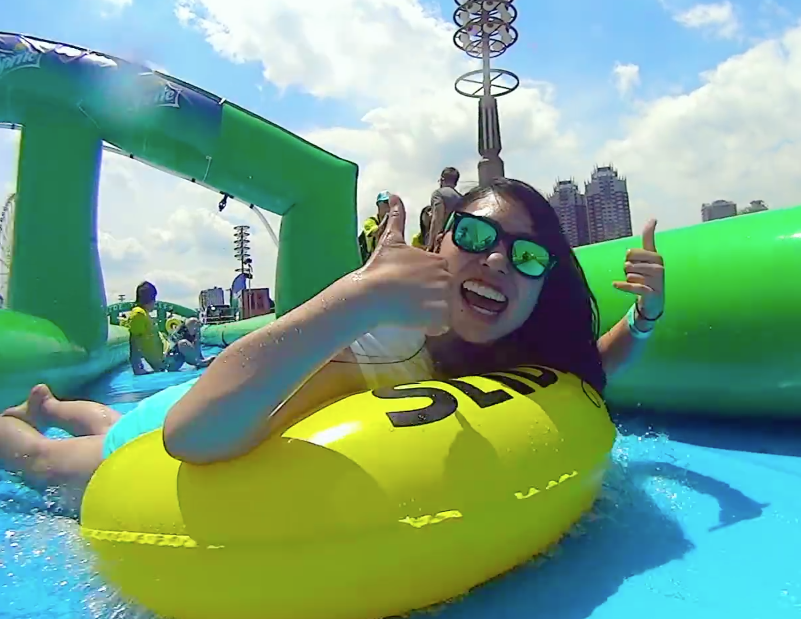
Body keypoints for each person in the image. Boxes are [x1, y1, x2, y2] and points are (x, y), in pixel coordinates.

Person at [0, 178, 666, 510]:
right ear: (439, 244)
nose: (495, 261)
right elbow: (190, 432)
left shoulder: (509, 348)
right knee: (46, 462)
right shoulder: (392, 340)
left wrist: (644, 317)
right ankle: (30, 423)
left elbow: (586, 368)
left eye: (526, 256)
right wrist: (360, 295)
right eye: (474, 236)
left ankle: (55, 404)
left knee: (101, 415)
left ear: (541, 284)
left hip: (229, 387)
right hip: (192, 416)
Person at [127, 281, 165, 375]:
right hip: (164, 361)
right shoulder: (138, 314)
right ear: (150, 299)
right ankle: (199, 361)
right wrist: (138, 367)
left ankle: (199, 359)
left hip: (164, 359)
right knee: (184, 340)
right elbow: (134, 341)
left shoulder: (144, 314)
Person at [424, 167, 464, 250]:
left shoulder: (438, 194)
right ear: (455, 183)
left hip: (443, 240)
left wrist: (430, 245)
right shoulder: (462, 199)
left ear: (442, 179)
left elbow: (437, 219)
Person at [359, 191, 392, 263]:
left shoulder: (392, 222)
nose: (389, 205)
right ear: (378, 204)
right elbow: (377, 232)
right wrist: (386, 217)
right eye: (386, 202)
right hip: (370, 261)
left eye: (391, 203)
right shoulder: (370, 221)